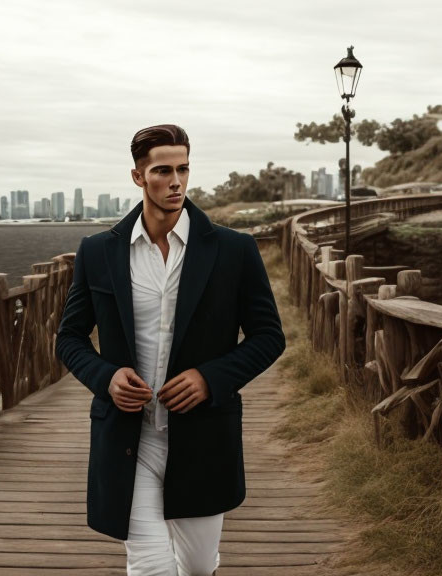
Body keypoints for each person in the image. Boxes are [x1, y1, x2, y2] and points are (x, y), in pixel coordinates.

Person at [55, 124, 285, 575]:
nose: (176, 181)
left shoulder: (234, 250)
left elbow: (268, 337)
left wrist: (210, 378)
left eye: (183, 169)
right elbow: (69, 338)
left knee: (197, 568)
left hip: (203, 440)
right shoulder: (98, 252)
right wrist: (106, 378)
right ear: (139, 177)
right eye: (163, 170)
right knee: (150, 567)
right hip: (127, 440)